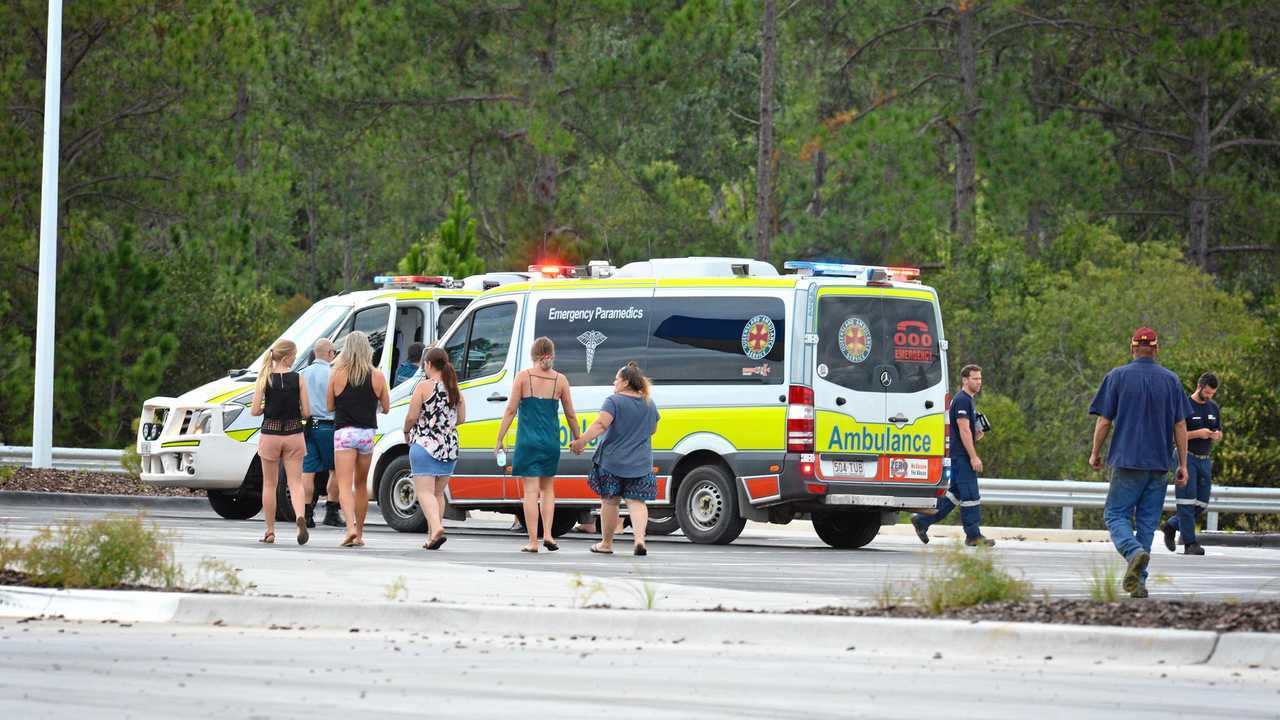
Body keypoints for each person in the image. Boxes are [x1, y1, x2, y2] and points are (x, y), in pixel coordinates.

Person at [1089, 327, 1191, 599]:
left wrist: (1095, 452)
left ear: (1131, 347)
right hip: (1159, 463)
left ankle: (1133, 552)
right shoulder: (1171, 380)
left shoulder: (1118, 377)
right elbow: (1180, 425)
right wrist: (1183, 464)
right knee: (1146, 524)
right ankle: (1139, 584)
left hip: (1127, 460)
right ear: (1157, 349)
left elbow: (1104, 421)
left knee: (1115, 514)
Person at [495, 337, 579, 553]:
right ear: (551, 354)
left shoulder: (523, 377)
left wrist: (499, 438)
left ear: (533, 354)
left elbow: (511, 410)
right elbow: (570, 413)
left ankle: (533, 541)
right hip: (550, 441)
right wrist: (577, 437)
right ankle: (549, 535)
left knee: (530, 492)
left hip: (527, 441)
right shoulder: (560, 380)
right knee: (548, 489)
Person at [571, 362, 660, 556]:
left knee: (610, 502)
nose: (614, 382)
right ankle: (639, 540)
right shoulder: (648, 402)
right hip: (641, 463)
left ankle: (606, 543)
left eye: (617, 379)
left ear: (626, 382)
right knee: (637, 502)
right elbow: (653, 428)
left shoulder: (613, 401)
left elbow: (601, 424)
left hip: (613, 462)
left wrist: (581, 441)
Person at [910, 364, 993, 547]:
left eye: (980, 378)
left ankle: (922, 520)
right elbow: (963, 430)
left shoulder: (966, 400)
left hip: (958, 455)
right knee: (970, 496)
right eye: (975, 378)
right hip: (961, 458)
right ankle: (973, 535)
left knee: (954, 495)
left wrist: (977, 434)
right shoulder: (963, 400)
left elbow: (966, 432)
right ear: (965, 380)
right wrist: (973, 457)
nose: (979, 382)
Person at [327, 331, 391, 548]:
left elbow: (329, 406)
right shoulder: (378, 375)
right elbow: (387, 407)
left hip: (344, 432)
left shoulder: (337, 374)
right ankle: (360, 533)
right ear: (367, 349)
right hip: (366, 434)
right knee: (361, 485)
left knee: (344, 486)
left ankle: (350, 529)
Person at [249, 339, 310, 545]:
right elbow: (307, 412)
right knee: (295, 482)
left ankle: (270, 531)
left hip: (270, 434)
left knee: (269, 484)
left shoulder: (264, 378)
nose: (295, 358)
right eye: (294, 355)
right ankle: (300, 517)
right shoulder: (299, 378)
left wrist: (269, 407)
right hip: (294, 433)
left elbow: (255, 410)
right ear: (286, 357)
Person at [403, 347, 465, 550]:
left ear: (428, 364)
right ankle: (432, 537)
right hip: (449, 447)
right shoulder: (455, 388)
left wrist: (406, 431)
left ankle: (436, 528)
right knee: (438, 493)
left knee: (423, 492)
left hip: (425, 445)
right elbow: (462, 419)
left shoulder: (423, 387)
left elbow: (412, 416)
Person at [1161, 372, 1222, 556]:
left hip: (1205, 459)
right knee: (1187, 501)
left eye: (1213, 394)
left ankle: (1171, 526)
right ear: (1200, 386)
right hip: (1186, 456)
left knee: (1201, 502)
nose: (1210, 396)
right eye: (1208, 392)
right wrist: (1198, 433)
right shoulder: (1184, 405)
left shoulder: (1213, 408)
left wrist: (1217, 435)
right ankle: (1190, 543)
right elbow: (1174, 435)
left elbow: (1218, 430)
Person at [300, 338, 339, 529]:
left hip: (308, 425)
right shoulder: (333, 374)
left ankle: (307, 513)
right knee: (337, 469)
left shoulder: (302, 374)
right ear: (330, 353)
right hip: (328, 425)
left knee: (308, 471)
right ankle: (331, 511)